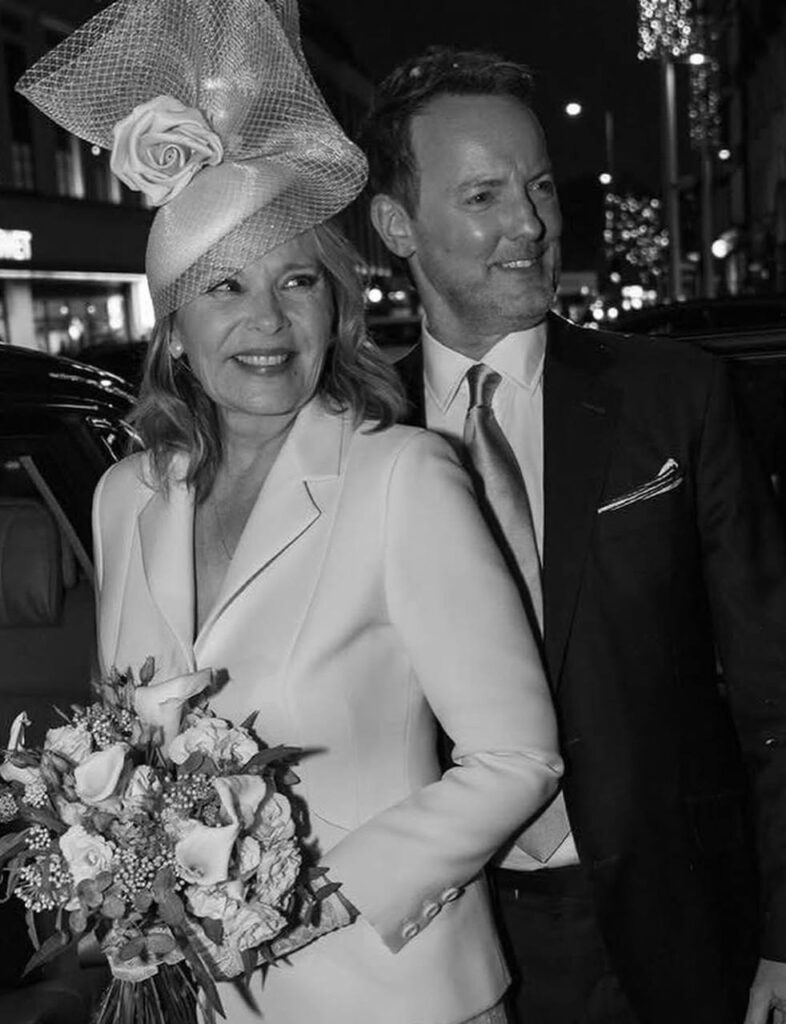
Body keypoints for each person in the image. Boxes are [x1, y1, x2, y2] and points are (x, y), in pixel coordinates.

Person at [18, 6, 562, 1024]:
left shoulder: (403, 477)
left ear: (334, 307)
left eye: (298, 281)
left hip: (399, 994)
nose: (266, 321)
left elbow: (516, 759)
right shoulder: (124, 496)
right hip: (209, 1003)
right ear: (175, 327)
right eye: (225, 286)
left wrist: (303, 899)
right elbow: (131, 745)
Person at [362, 46, 786, 1024]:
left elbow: (774, 682)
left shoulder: (675, 396)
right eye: (483, 196)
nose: (531, 223)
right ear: (396, 225)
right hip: (440, 937)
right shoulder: (355, 432)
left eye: (541, 186)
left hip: (675, 920)